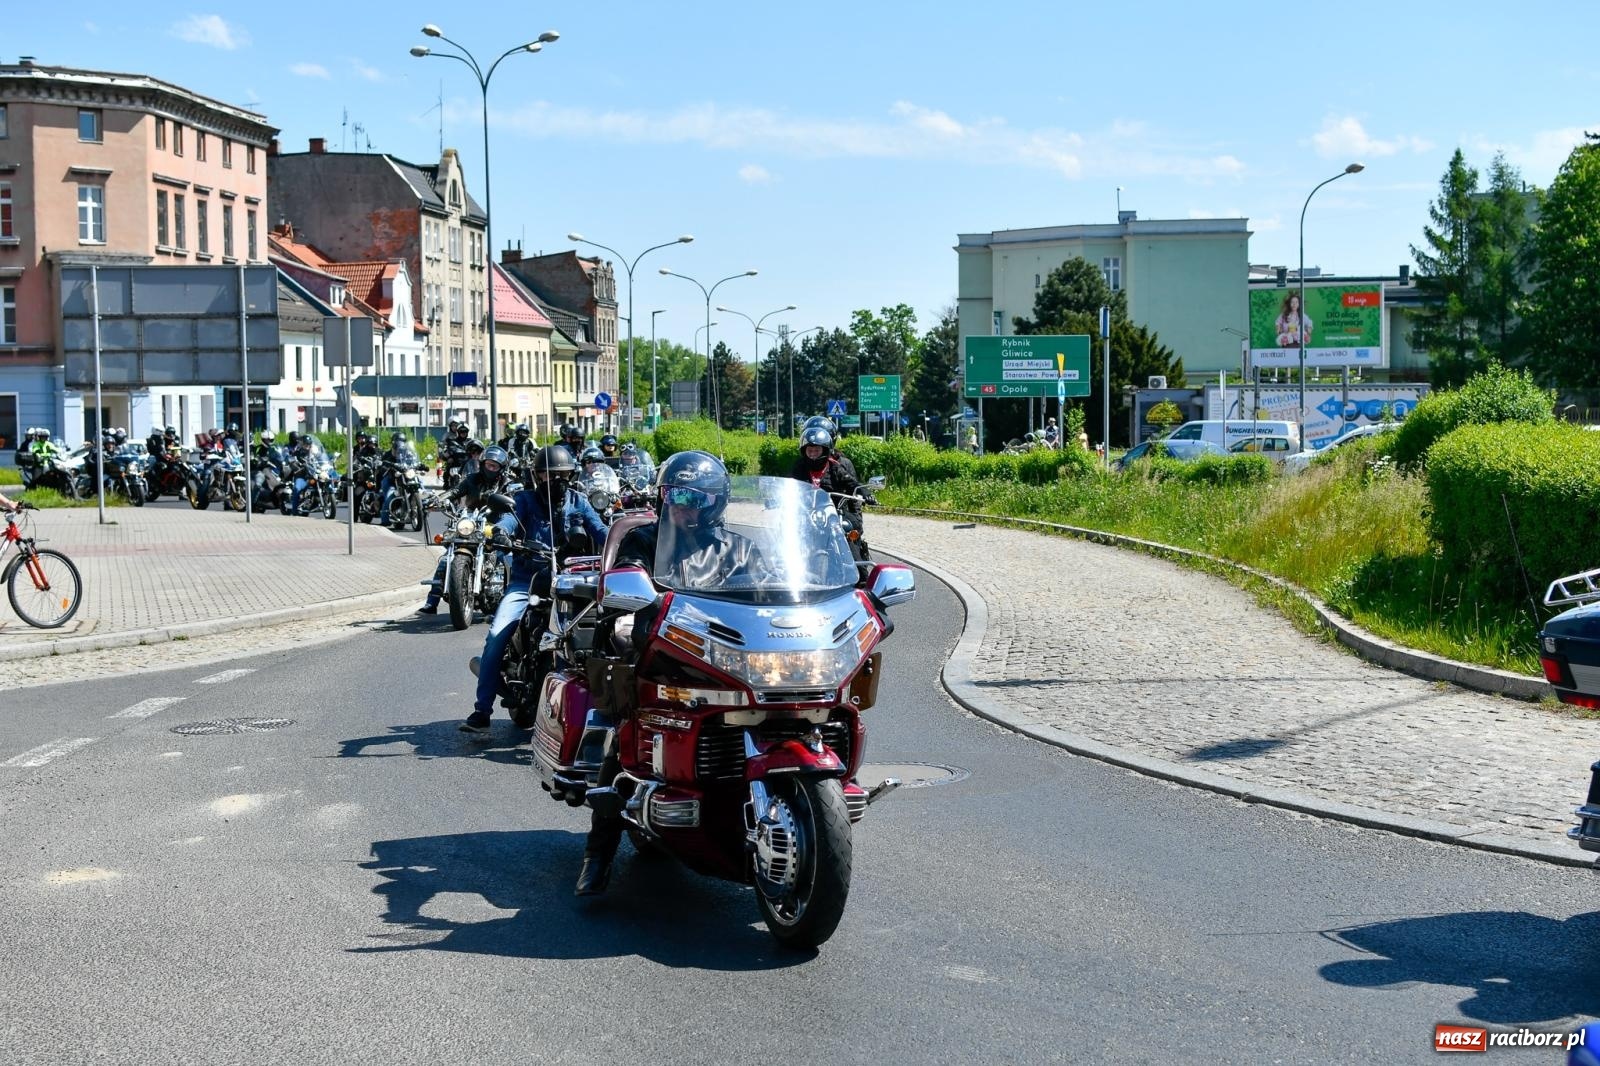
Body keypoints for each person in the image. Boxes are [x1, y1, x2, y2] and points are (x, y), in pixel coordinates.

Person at [576, 451, 763, 896]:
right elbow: (628, 579)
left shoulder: (739, 549)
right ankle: (597, 852)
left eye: (691, 496)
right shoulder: (644, 539)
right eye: (671, 494)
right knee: (623, 741)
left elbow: (769, 593)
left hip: (725, 655)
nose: (679, 504)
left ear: (715, 502)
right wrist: (635, 595)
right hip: (659, 650)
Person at [464, 444, 607, 735]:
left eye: (563, 474)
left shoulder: (579, 502)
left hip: (570, 584)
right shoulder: (524, 501)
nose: (556, 481)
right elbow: (506, 520)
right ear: (536, 476)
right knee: (496, 634)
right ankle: (482, 709)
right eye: (548, 475)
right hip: (527, 581)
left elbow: (603, 532)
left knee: (607, 634)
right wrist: (501, 533)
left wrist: (627, 539)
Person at [418, 445, 513, 615]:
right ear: (482, 464)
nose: (490, 469)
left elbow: (512, 500)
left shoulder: (506, 484)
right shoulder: (472, 479)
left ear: (501, 468)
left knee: (506, 558)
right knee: (446, 559)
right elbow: (455, 491)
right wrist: (438, 499)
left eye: (494, 466)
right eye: (488, 464)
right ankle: (432, 602)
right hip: (470, 521)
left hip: (495, 524)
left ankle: (508, 601)